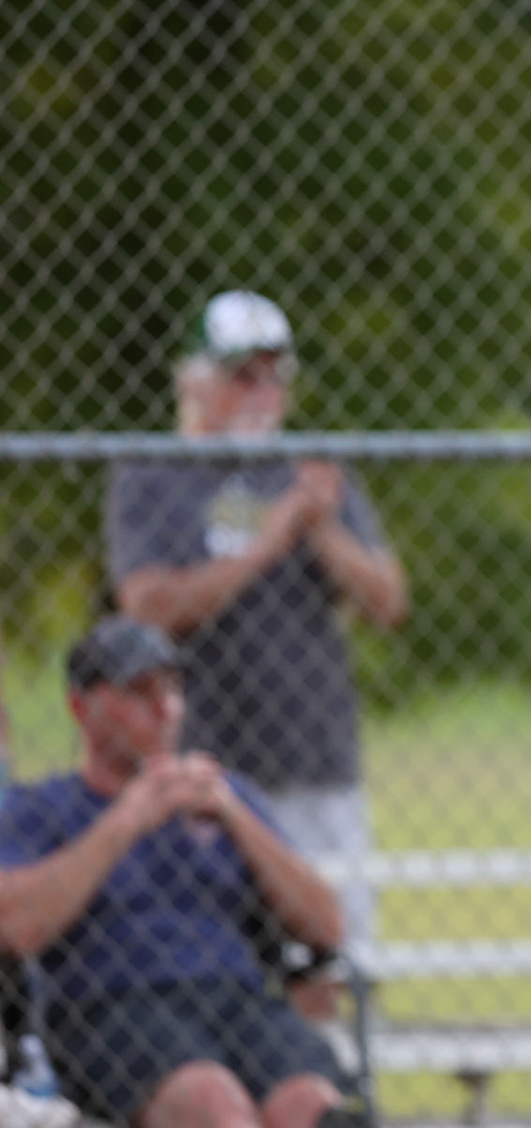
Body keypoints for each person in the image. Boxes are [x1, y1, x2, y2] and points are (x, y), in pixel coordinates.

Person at [107, 291, 407, 942]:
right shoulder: (150, 473)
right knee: (207, 955)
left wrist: (320, 527)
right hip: (200, 767)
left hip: (313, 760)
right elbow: (148, 607)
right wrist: (268, 542)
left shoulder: (311, 475)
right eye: (242, 374)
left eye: (275, 375)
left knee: (332, 958)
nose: (262, 391)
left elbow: (388, 601)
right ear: (193, 380)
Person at [0, 617, 349, 1128]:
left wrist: (236, 818)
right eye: (139, 692)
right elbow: (16, 925)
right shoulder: (44, 808)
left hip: (235, 1000)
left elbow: (327, 926)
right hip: (114, 1007)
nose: (164, 709)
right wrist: (127, 818)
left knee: (312, 1106)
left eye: (172, 690)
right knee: (216, 1106)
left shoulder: (226, 796)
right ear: (81, 708)